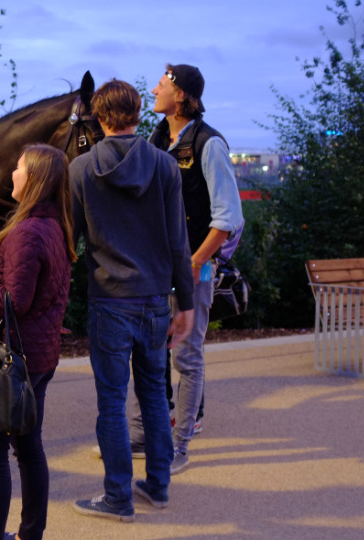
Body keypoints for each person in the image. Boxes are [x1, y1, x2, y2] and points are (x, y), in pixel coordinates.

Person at [68, 79, 195, 522]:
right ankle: (157, 487)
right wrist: (188, 303)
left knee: (111, 401)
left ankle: (118, 497)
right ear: (139, 112)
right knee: (156, 397)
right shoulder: (164, 166)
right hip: (157, 300)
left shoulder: (80, 170)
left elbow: (71, 242)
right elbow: (179, 241)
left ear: (99, 118)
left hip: (109, 301)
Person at [127, 64, 244, 475]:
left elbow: (227, 217)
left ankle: (180, 447)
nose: (155, 87)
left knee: (187, 359)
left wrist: (195, 264)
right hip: (154, 268)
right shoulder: (157, 138)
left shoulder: (208, 144)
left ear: (181, 96)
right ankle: (142, 435)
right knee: (148, 351)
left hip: (194, 270)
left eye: (163, 83)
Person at [0, 144, 76, 540]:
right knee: (28, 447)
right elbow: (21, 277)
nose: (12, 173)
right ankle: (30, 535)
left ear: (35, 180)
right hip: (38, 356)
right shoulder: (52, 225)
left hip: (11, 360)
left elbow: (13, 301)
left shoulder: (27, 231)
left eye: (19, 168)